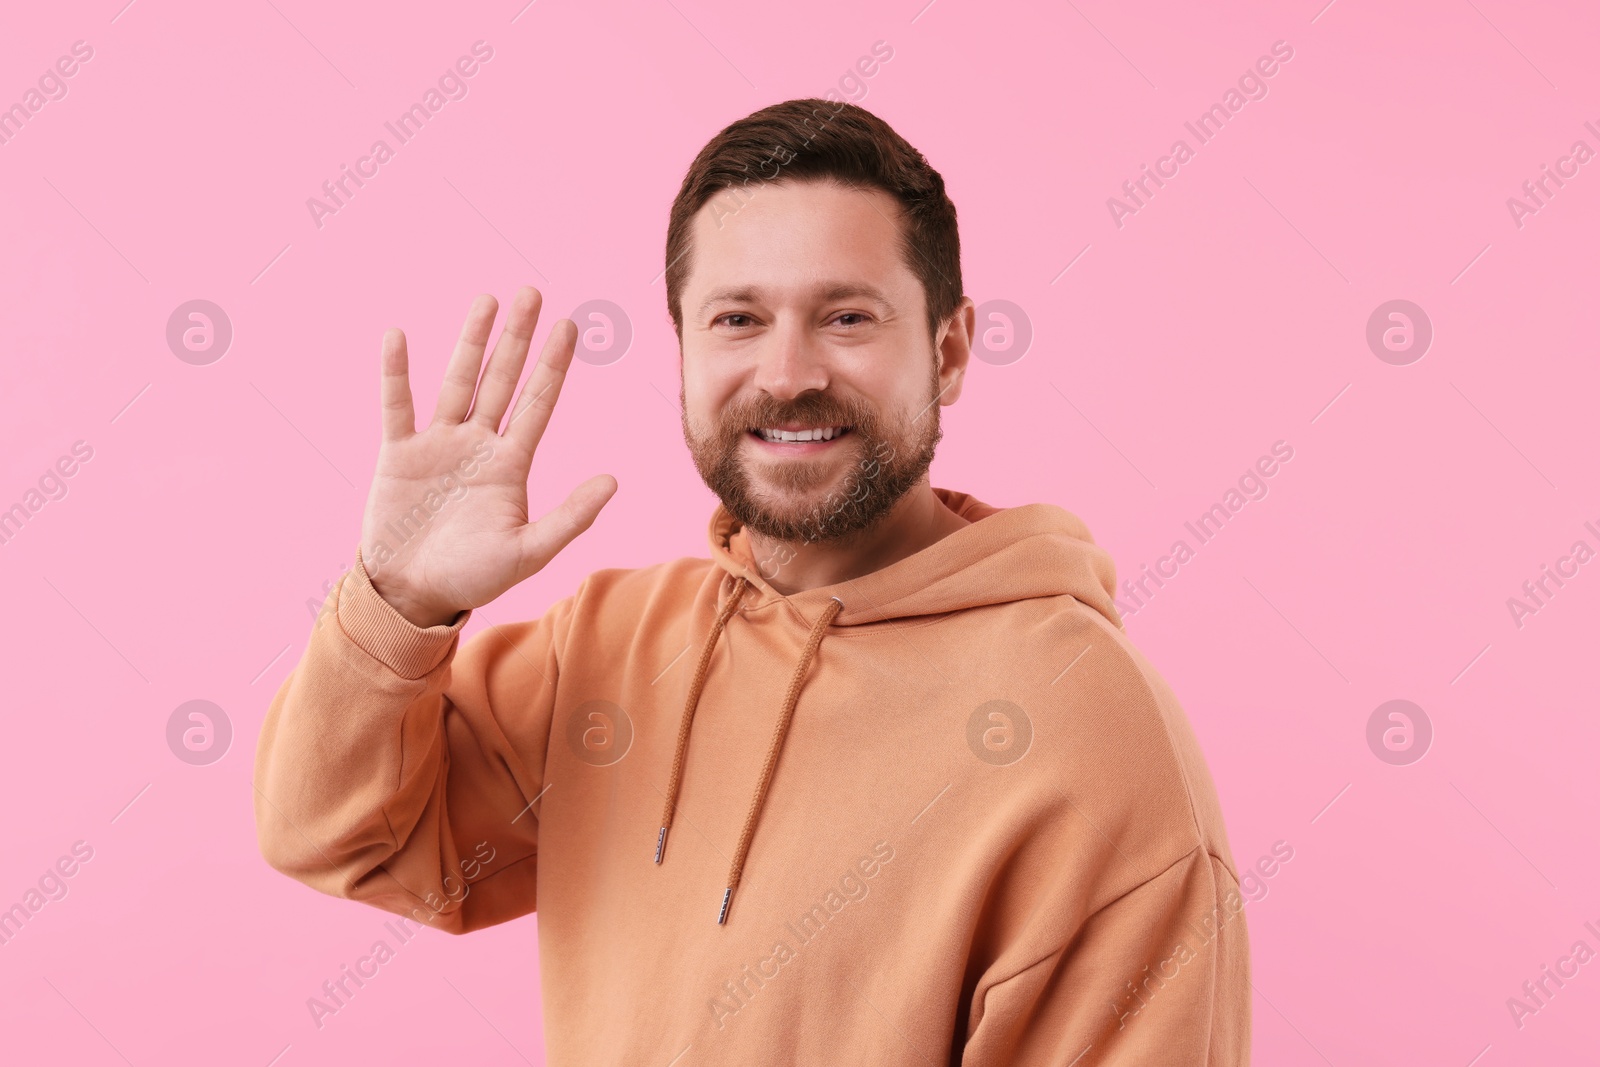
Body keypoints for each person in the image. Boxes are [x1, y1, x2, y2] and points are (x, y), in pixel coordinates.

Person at [254, 97, 1251, 1064]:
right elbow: (345, 840)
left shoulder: (1089, 732)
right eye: (737, 318)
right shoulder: (610, 641)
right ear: (683, 349)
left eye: (847, 316)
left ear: (946, 350)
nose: (785, 374)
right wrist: (398, 602)